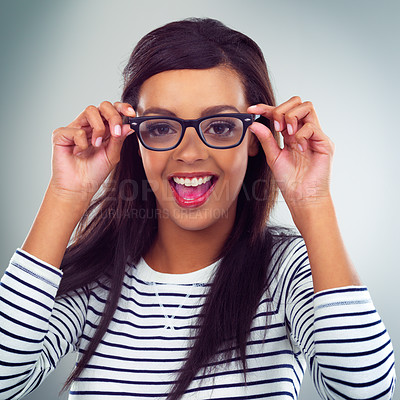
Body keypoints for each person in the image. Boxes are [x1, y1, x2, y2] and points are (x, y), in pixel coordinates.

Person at [0, 17, 396, 400]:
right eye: (160, 127)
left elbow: (365, 393)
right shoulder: (97, 277)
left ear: (255, 138)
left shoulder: (286, 271)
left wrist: (313, 202)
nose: (189, 153)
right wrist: (66, 193)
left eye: (221, 126)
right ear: (134, 138)